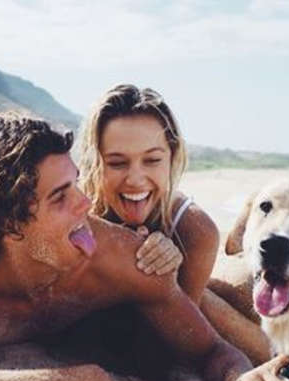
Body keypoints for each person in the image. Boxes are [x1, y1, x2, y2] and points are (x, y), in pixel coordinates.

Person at [0, 111, 289, 381]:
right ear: (9, 224)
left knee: (232, 289)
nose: (85, 204)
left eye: (76, 184)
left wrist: (236, 380)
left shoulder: (115, 254)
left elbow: (211, 351)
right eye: (60, 196)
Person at [77, 84, 270, 365]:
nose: (135, 179)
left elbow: (173, 350)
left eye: (152, 160)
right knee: (210, 299)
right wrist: (124, 255)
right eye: (117, 163)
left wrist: (166, 281)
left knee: (225, 295)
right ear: (94, 162)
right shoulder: (73, 214)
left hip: (171, 326)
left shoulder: (195, 230)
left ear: (172, 157)